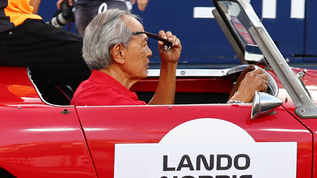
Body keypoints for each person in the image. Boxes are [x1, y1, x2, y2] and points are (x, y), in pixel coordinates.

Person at [70, 8, 270, 106]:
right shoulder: (107, 101)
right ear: (119, 53)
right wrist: (240, 100)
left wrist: (169, 65)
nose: (150, 52)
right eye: (144, 45)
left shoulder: (100, 93)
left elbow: (155, 122)